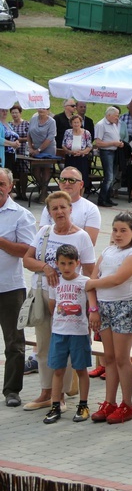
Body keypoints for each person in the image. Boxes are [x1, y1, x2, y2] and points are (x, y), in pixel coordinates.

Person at [22, 191, 95, 411]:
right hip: (44, 293)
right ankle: (46, 392)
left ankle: (60, 395)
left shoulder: (81, 236)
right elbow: (27, 259)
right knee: (44, 344)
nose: (60, 212)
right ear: (49, 212)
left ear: (71, 209)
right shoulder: (44, 232)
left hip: (71, 298)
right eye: (55, 208)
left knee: (68, 345)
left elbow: (90, 274)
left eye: (63, 207)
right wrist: (45, 267)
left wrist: (90, 307)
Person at [85, 212, 132, 424]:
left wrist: (92, 284)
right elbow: (91, 281)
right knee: (108, 358)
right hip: (103, 308)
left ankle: (127, 404)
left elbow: (117, 280)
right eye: (115, 230)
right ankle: (109, 401)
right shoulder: (108, 250)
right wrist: (93, 308)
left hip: (125, 307)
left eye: (123, 230)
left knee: (121, 358)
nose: (118, 235)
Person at [42, 244, 95, 424]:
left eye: (70, 263)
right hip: (59, 332)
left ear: (77, 263)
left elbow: (89, 307)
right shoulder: (54, 282)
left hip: (79, 333)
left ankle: (83, 405)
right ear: (56, 263)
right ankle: (55, 405)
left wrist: (88, 326)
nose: (66, 267)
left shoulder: (84, 282)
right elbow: (52, 306)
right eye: (62, 263)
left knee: (81, 369)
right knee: (58, 370)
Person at [0, 168, 35, 407]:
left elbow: (26, 251)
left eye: (1, 183)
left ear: (10, 186)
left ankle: (12, 390)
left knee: (14, 342)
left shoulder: (21, 215)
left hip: (10, 287)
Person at [40, 166, 101, 245]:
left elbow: (90, 242)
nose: (67, 183)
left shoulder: (91, 209)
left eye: (72, 180)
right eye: (63, 180)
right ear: (59, 183)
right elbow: (42, 237)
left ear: (81, 184)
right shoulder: (50, 207)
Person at [94, 107, 124, 208]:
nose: (117, 117)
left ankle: (108, 197)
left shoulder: (114, 124)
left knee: (113, 176)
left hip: (115, 151)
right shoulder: (101, 125)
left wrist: (119, 143)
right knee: (109, 176)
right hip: (106, 152)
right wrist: (113, 143)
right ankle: (102, 199)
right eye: (116, 115)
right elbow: (98, 142)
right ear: (109, 115)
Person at [28, 108, 58, 202]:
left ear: (48, 110)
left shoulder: (51, 122)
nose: (41, 110)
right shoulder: (33, 119)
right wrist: (30, 147)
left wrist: (39, 149)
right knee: (35, 169)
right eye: (40, 108)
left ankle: (43, 193)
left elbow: (50, 137)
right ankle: (43, 189)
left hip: (48, 147)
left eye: (44, 109)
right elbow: (29, 134)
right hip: (35, 147)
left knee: (46, 168)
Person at [61, 115, 93, 190]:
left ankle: (80, 197)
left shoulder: (86, 133)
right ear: (71, 124)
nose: (76, 124)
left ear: (81, 123)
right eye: (74, 122)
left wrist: (82, 152)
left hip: (81, 159)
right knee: (69, 177)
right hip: (70, 158)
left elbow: (89, 146)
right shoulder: (68, 132)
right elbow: (63, 145)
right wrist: (69, 151)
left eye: (78, 122)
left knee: (82, 178)